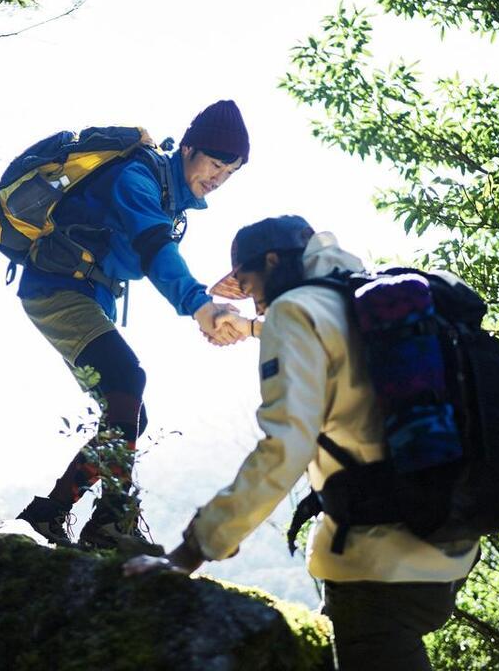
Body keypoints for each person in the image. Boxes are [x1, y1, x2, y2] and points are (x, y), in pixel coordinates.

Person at [125, 215, 479, 671]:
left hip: (380, 563)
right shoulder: (361, 296)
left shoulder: (293, 311)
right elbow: (332, 340)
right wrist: (252, 327)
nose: (254, 299)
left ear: (272, 261)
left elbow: (286, 447)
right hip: (448, 540)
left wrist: (194, 549)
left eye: (249, 284)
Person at [14, 100, 251, 553]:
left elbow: (149, 251)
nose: (219, 178)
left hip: (83, 293)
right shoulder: (138, 177)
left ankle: (49, 515)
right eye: (215, 164)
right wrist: (199, 304)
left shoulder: (167, 193)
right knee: (127, 381)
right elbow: (153, 247)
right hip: (58, 289)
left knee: (127, 410)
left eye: (230, 172)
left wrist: (210, 293)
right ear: (189, 149)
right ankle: (111, 523)